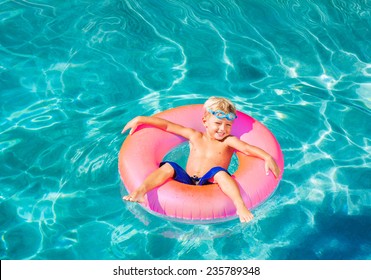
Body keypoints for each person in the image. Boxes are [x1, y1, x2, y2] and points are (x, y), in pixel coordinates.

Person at [121, 97, 280, 223]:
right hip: (187, 179)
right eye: (218, 123)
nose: (222, 129)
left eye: (228, 125)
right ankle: (141, 191)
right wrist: (142, 118)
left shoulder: (228, 141)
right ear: (205, 121)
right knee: (169, 166)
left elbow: (246, 148)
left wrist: (267, 156)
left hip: (209, 181)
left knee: (221, 173)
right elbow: (168, 126)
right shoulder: (195, 136)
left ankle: (240, 206)